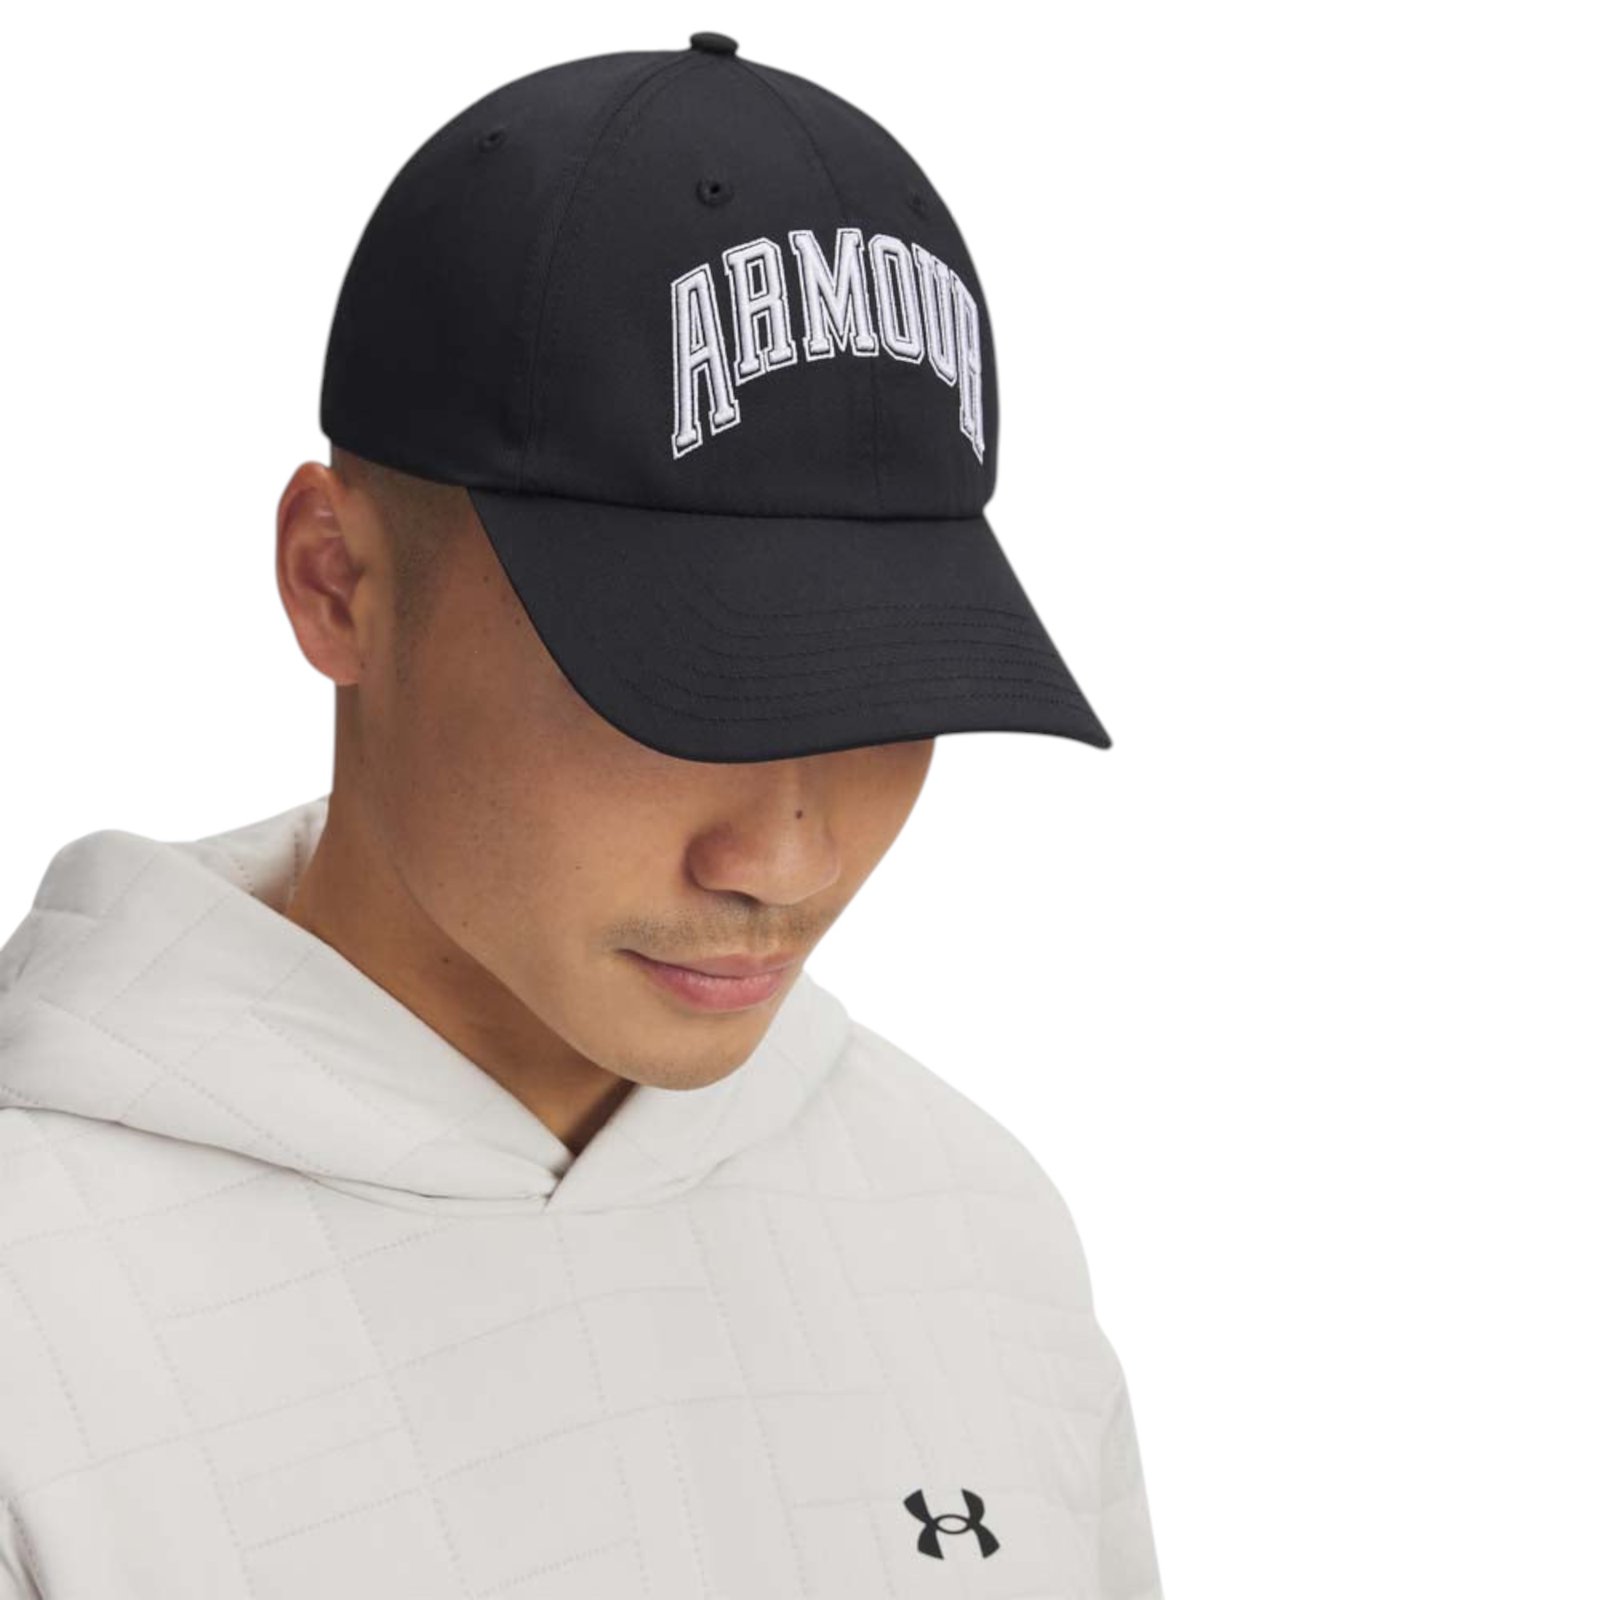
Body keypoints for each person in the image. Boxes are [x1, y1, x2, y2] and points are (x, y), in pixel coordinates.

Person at [0, 32, 1162, 1599]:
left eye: (881, 687)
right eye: (677, 690)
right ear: (337, 584)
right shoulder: (38, 1311)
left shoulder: (976, 1228)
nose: (789, 857)